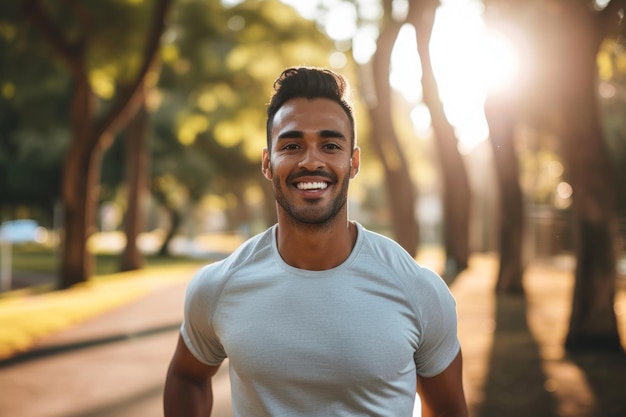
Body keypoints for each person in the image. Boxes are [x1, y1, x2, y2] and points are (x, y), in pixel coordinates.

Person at [164, 66, 468, 417]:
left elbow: (448, 408)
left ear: (353, 162)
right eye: (292, 145)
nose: (311, 161)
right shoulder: (218, 286)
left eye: (330, 145)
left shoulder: (417, 289)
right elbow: (187, 376)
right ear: (268, 163)